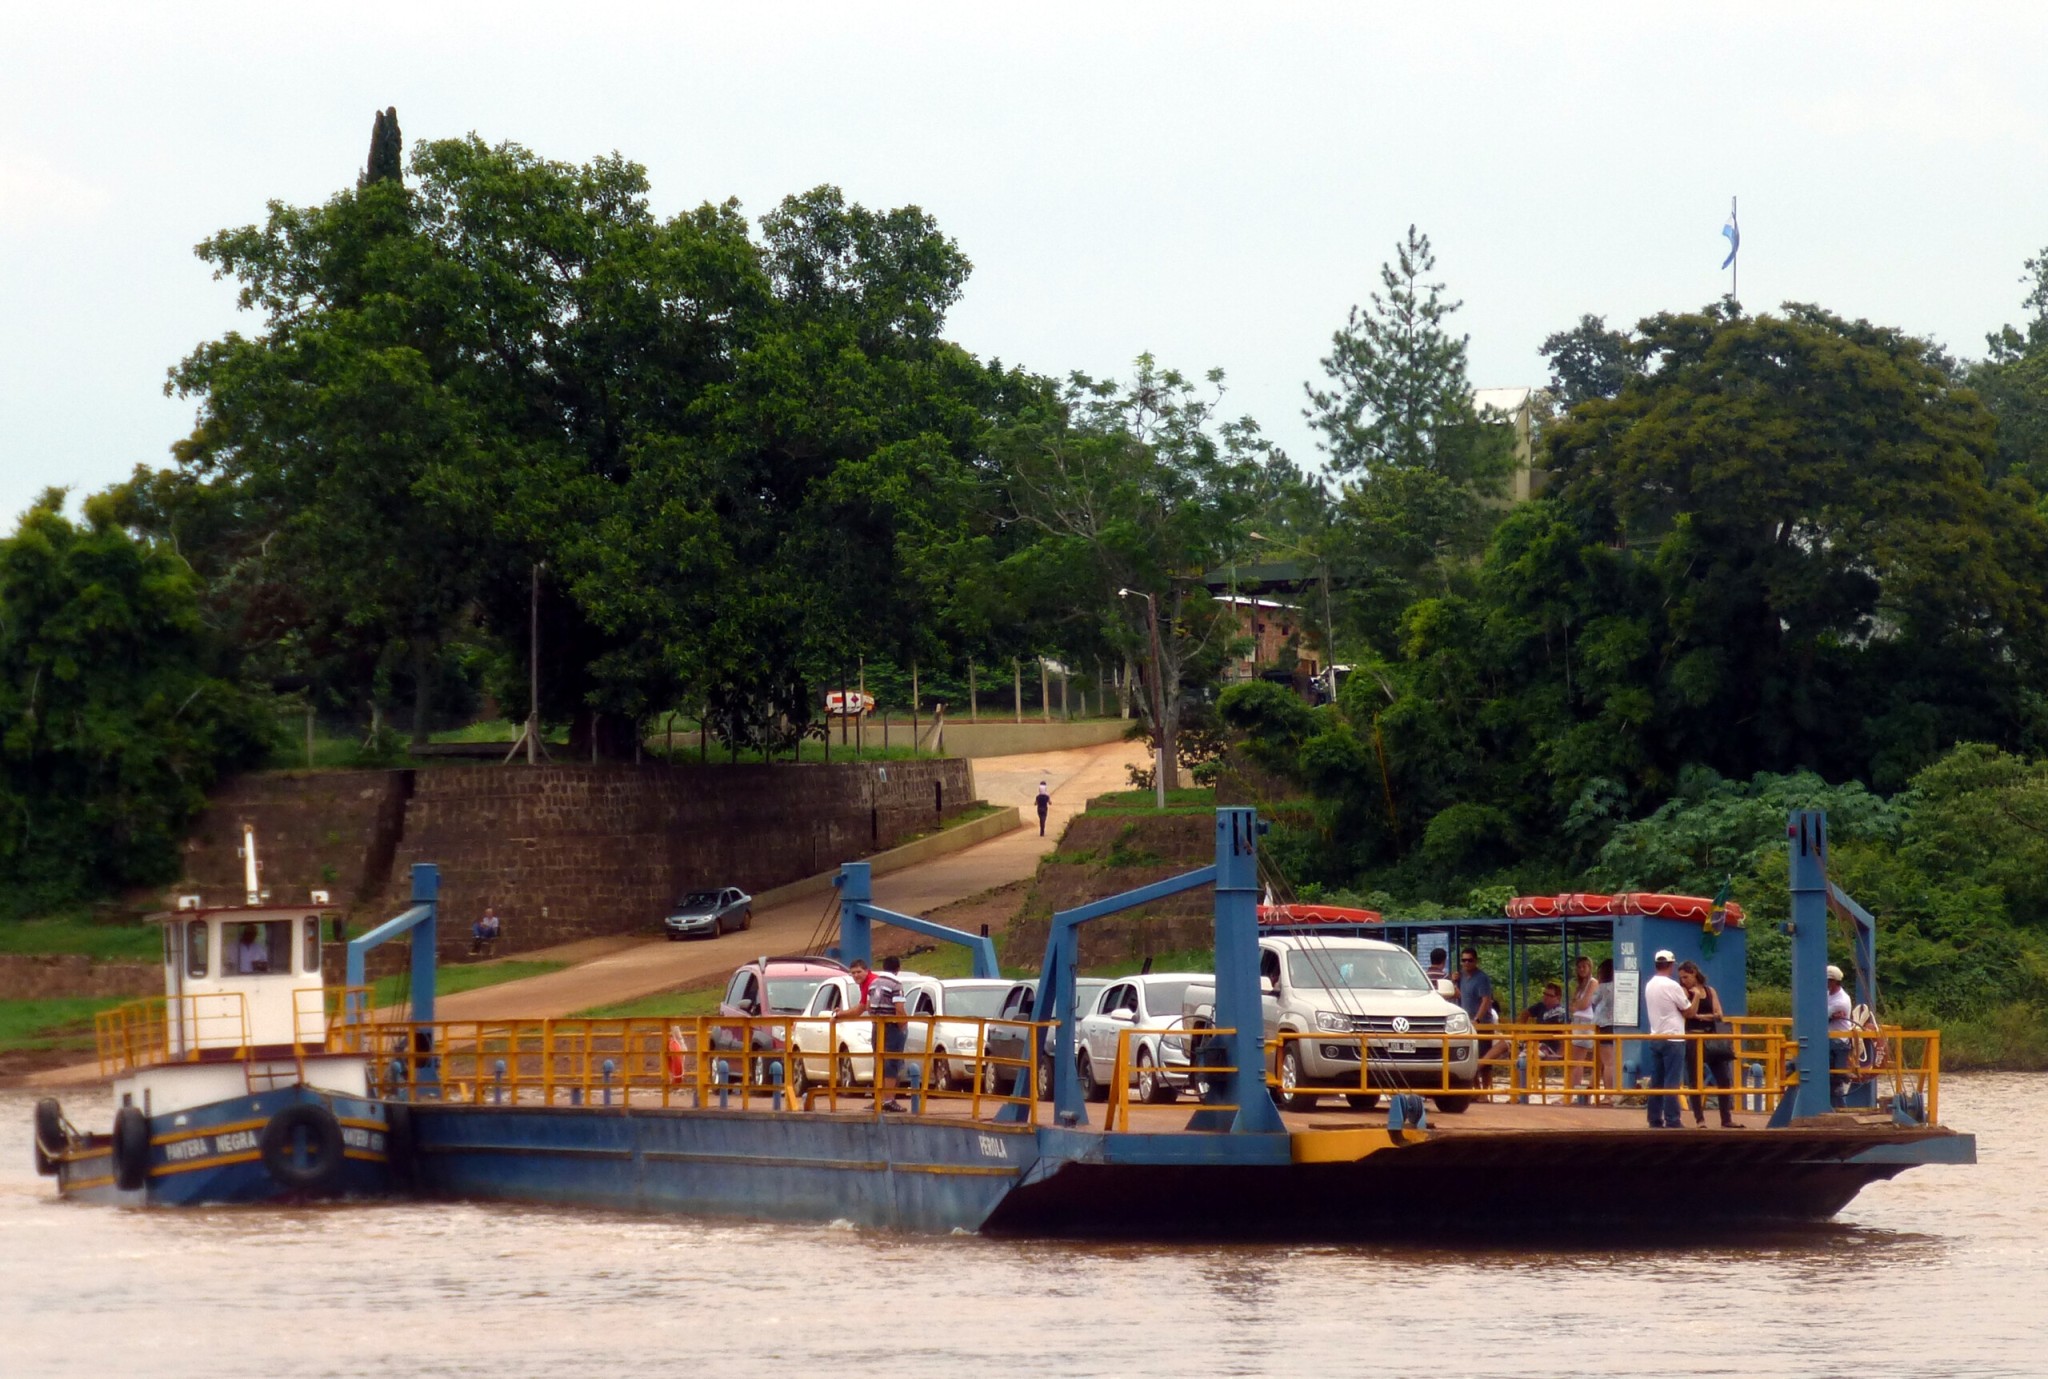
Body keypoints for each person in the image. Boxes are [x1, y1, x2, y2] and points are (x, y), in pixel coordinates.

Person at [1679, 960, 1736, 1127]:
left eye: (1686, 977)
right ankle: (1699, 1119)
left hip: (1712, 1037)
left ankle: (1726, 1118)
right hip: (1693, 1037)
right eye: (1681, 978)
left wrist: (1703, 1016)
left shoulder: (1710, 991)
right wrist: (1695, 996)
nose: (1684, 980)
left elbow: (1719, 1013)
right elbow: (1689, 1013)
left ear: (1695, 974)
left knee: (1724, 1078)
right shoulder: (1684, 992)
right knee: (1695, 1080)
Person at [1642, 950, 1690, 1128]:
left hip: (1656, 1036)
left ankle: (1654, 1118)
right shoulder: (1673, 986)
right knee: (1672, 1080)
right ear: (1671, 965)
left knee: (1657, 1080)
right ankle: (1673, 1119)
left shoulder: (1649, 985)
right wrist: (1697, 996)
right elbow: (1687, 1010)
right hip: (1674, 1038)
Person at [858, 956, 908, 1110]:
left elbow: (868, 1007)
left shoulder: (873, 984)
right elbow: (899, 1008)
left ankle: (878, 1099)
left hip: (877, 1027)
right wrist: (902, 1026)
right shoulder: (895, 984)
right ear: (898, 969)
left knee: (878, 1062)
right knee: (891, 1062)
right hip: (891, 1027)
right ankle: (889, 1100)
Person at [1457, 948, 1504, 1089]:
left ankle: (1486, 1091)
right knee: (1472, 1058)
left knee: (1484, 1059)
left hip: (1482, 1024)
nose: (1466, 963)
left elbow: (1486, 1000)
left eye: (1469, 960)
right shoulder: (1462, 977)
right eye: (1464, 960)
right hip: (1468, 1023)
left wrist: (1477, 1019)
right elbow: (1460, 995)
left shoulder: (1482, 978)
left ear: (1475, 961)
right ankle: (1476, 1090)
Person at [1568, 955, 1601, 1097]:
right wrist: (1575, 1006)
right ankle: (1574, 1090)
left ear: (1590, 967)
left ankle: (1574, 1091)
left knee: (1577, 1059)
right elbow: (1572, 1004)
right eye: (1579, 967)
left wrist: (1576, 1006)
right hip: (1577, 1021)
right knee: (1574, 1059)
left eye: (1584, 966)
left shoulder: (1593, 982)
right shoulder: (1580, 985)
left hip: (1586, 1022)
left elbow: (1584, 1004)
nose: (1581, 969)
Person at [1589, 958, 1617, 1102]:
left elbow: (1593, 1001)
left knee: (1607, 1062)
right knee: (1604, 1061)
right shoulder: (1619, 986)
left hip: (1603, 1025)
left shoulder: (1603, 987)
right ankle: (1590, 1091)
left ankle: (1609, 1095)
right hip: (1616, 1025)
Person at [1826, 964, 1853, 1108]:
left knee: (1834, 1077)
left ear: (1836, 981)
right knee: (1832, 1077)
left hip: (1839, 1041)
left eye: (1829, 980)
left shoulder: (1841, 1000)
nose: (1826, 983)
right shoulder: (1827, 995)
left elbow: (1818, 1015)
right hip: (1829, 1039)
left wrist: (1828, 1016)